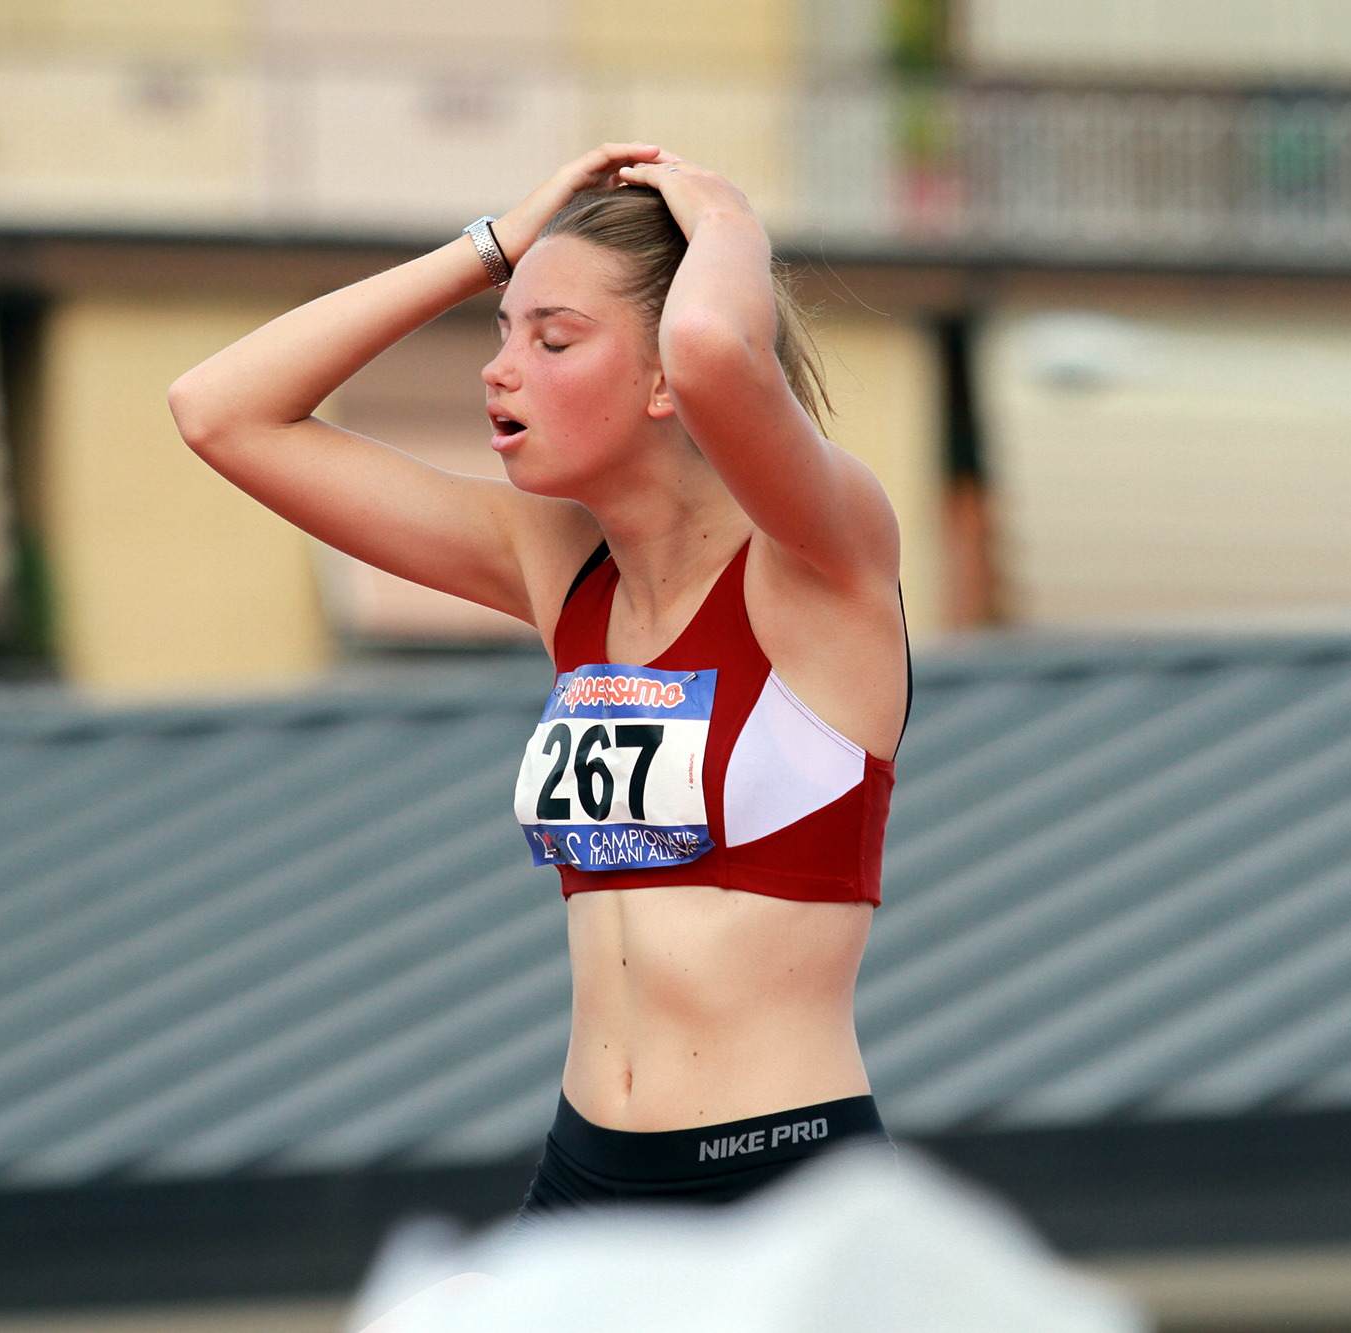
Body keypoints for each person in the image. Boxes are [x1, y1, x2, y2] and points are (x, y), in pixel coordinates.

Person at [168, 143, 908, 1216]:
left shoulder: (820, 559)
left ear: (665, 380)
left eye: (552, 339)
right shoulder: (559, 563)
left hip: (775, 1190)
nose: (498, 370)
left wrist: (726, 221)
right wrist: (494, 246)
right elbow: (218, 411)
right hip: (582, 1177)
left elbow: (715, 347)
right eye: (501, 331)